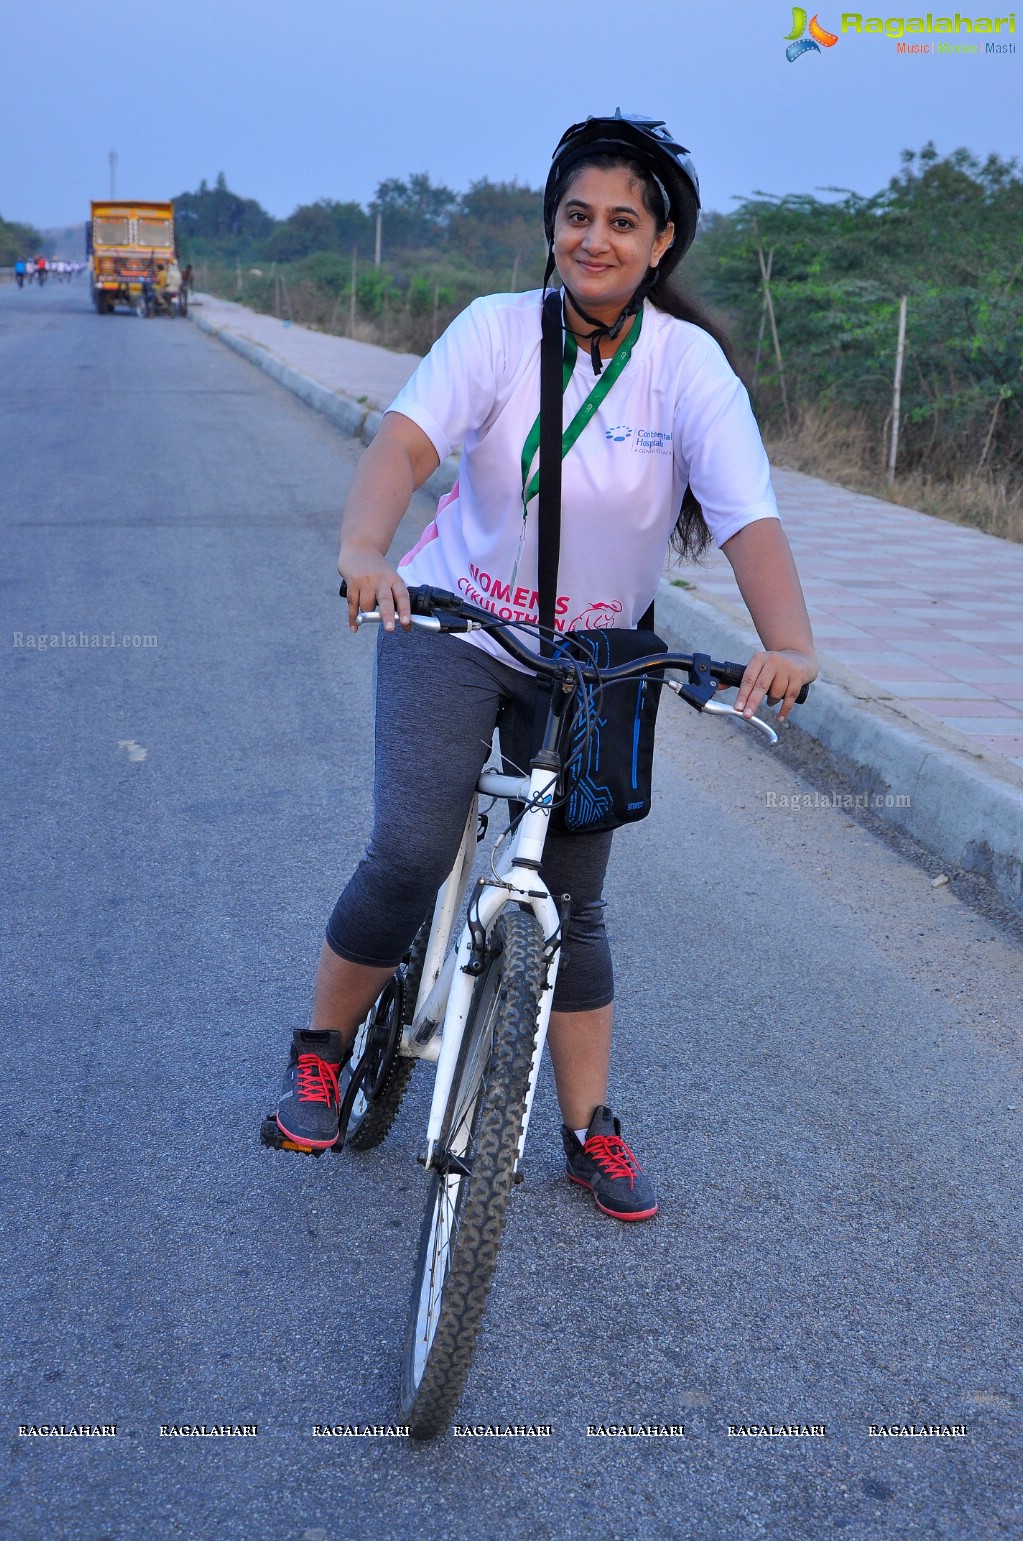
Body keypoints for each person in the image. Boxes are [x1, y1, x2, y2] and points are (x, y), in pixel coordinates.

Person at [272, 110, 818, 1220]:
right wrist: (366, 549)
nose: (597, 240)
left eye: (624, 222)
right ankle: (321, 1045)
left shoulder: (687, 368)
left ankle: (588, 1129)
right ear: (552, 228)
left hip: (597, 661)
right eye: (578, 217)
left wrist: (789, 641)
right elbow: (405, 444)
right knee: (412, 847)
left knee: (572, 900)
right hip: (458, 625)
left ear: (662, 243)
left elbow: (748, 517)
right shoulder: (494, 330)